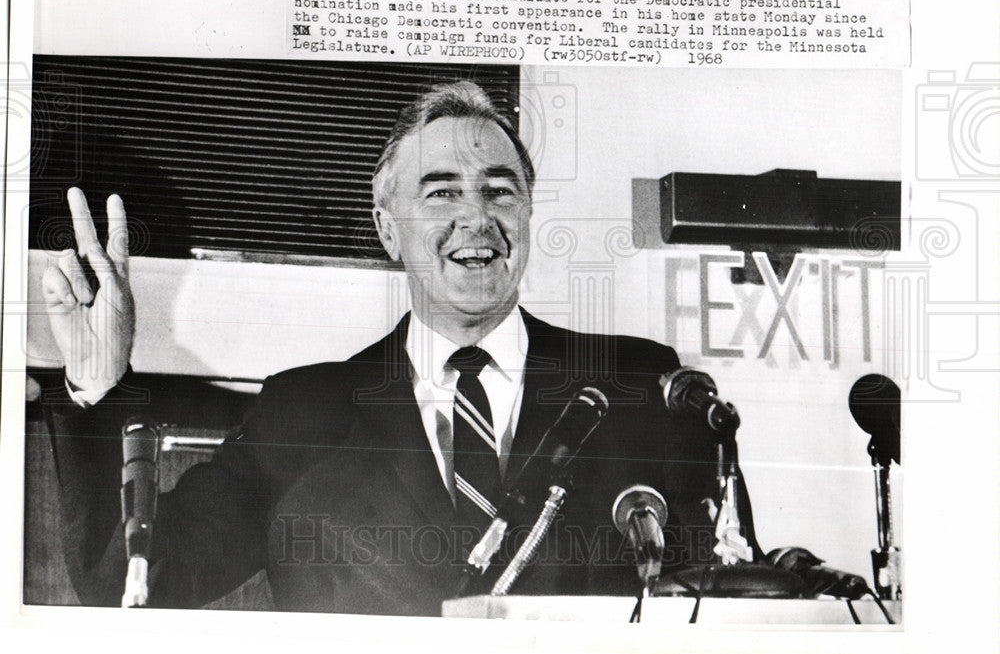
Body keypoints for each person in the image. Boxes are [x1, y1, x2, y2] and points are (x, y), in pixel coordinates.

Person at [41, 81, 757, 615]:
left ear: (529, 213)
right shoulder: (305, 410)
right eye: (441, 193)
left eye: (499, 191)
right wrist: (97, 388)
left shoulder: (643, 385)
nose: (477, 218)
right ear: (389, 228)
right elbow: (131, 581)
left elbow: (714, 599)